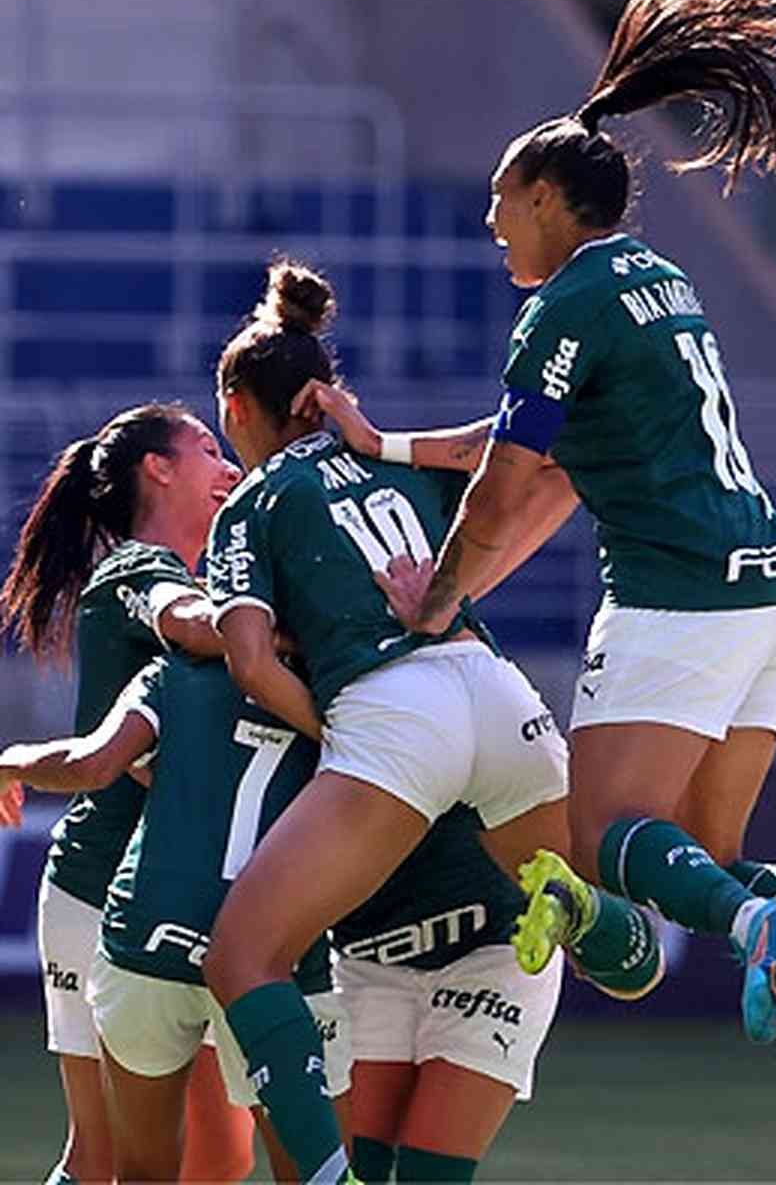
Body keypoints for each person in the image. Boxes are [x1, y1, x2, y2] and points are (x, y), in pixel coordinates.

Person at [373, 0, 776, 1142]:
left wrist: (434, 604)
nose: (493, 223)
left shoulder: (561, 306)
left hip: (681, 596)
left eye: (502, 201)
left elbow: (509, 486)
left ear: (548, 196)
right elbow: (542, 462)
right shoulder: (659, 278)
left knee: (602, 842)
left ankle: (759, 935)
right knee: (704, 857)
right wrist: (386, 443)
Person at [199, 258, 660, 1184]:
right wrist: (453, 577)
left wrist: (345, 739)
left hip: (391, 715)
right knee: (613, 942)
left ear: (240, 404)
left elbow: (249, 659)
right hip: (494, 688)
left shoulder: (250, 505)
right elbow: (560, 463)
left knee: (243, 959)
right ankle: (596, 914)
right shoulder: (385, 460)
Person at [0, 404, 253, 1184]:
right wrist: (286, 626)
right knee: (107, 1155)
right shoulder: (139, 570)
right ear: (159, 469)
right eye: (208, 450)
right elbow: (187, 623)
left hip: (187, 896)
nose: (229, 468)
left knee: (221, 1154)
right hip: (98, 889)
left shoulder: (200, 578)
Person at [0, 654, 352, 1182]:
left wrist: (12, 761)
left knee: (143, 1172)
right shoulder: (345, 686)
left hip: (148, 937)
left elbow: (92, 766)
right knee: (310, 1173)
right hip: (273, 959)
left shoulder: (171, 672)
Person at [332, 803, 562, 1183]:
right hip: (366, 956)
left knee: (431, 1173)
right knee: (354, 1168)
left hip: (495, 945)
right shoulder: (320, 746)